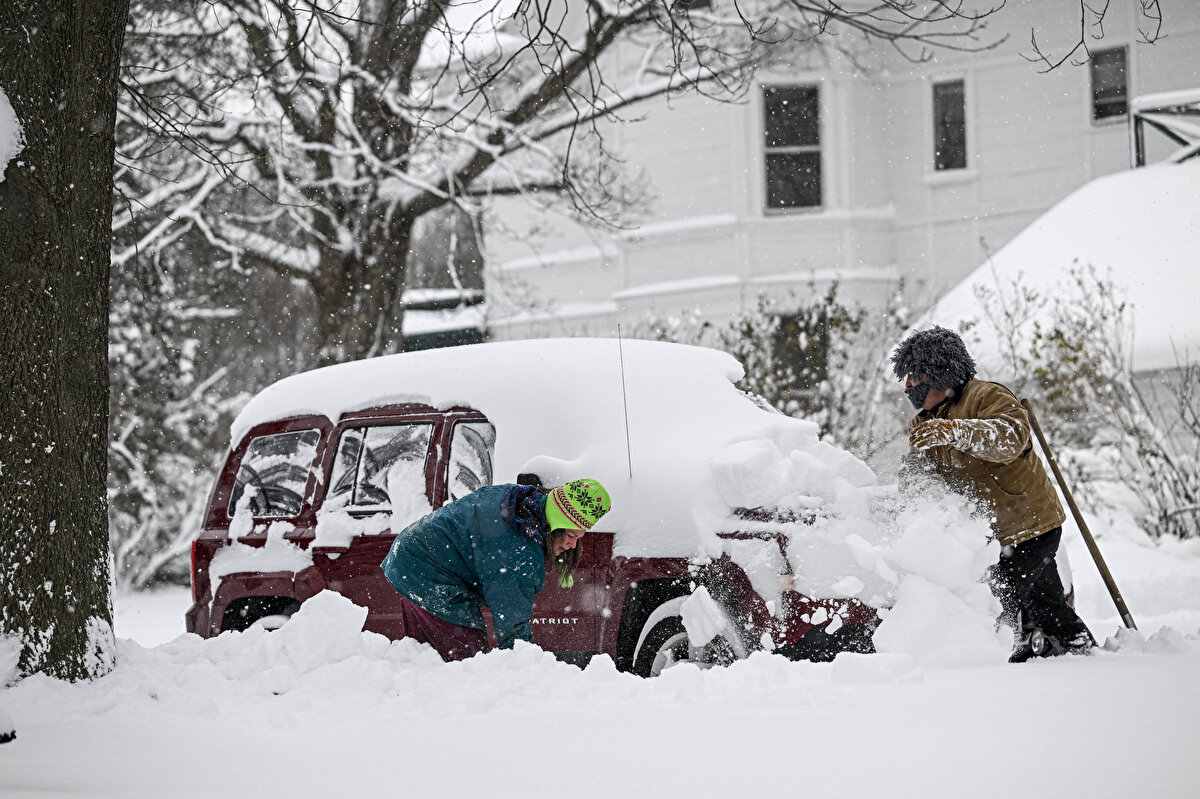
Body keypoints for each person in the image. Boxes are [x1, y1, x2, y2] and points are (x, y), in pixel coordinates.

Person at [892, 326, 1096, 662]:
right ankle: (1036, 652)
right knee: (1009, 604)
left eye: (915, 375)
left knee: (1035, 598)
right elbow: (915, 474)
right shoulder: (924, 424)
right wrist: (921, 496)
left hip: (1031, 524)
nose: (908, 385)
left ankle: (1081, 651)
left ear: (942, 373)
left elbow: (1010, 438)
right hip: (991, 536)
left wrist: (956, 431)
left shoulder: (986, 397)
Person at [380, 477, 611, 661]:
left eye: (580, 537)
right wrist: (526, 672)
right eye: (571, 534)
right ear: (555, 521)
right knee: (467, 666)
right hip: (425, 570)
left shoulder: (522, 503)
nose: (573, 544)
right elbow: (512, 627)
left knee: (431, 663)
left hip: (413, 558)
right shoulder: (517, 548)